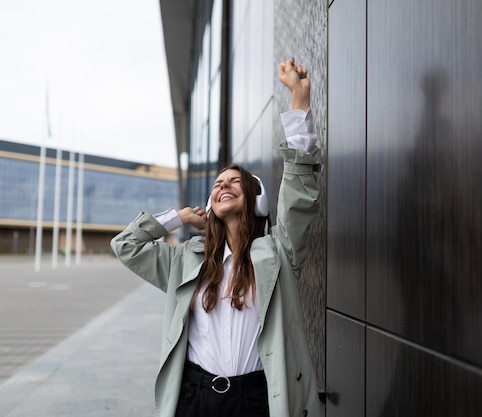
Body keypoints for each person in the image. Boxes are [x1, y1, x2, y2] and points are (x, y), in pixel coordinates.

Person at [111, 57, 323, 417]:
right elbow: (127, 247)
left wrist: (299, 104)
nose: (223, 185)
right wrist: (176, 218)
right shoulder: (185, 262)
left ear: (256, 201)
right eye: (217, 184)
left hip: (256, 398)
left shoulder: (278, 252)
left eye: (234, 181)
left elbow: (299, 197)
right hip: (194, 396)